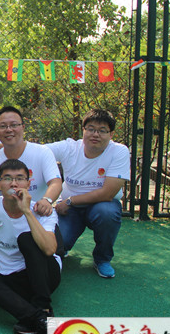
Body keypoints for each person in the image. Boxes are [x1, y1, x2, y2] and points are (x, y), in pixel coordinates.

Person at [0, 159, 62, 334]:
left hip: (45, 276)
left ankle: (43, 307)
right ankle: (39, 319)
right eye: (7, 179)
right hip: (11, 278)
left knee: (27, 239)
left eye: (20, 178)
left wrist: (26, 211)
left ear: (28, 183)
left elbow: (49, 249)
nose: (13, 184)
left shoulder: (41, 210)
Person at [46, 109, 130, 279]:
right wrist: (0, 146)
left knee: (107, 213)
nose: (95, 134)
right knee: (59, 245)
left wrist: (69, 201)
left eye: (102, 130)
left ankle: (102, 259)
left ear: (111, 134)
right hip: (70, 209)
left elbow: (107, 193)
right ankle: (64, 247)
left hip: (100, 205)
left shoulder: (119, 151)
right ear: (83, 130)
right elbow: (33, 151)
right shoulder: (69, 147)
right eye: (91, 129)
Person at [0, 106, 62, 216]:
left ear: (23, 127)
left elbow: (56, 183)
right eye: (3, 126)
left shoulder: (42, 152)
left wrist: (46, 200)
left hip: (38, 214)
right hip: (5, 218)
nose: (8, 130)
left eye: (14, 125)